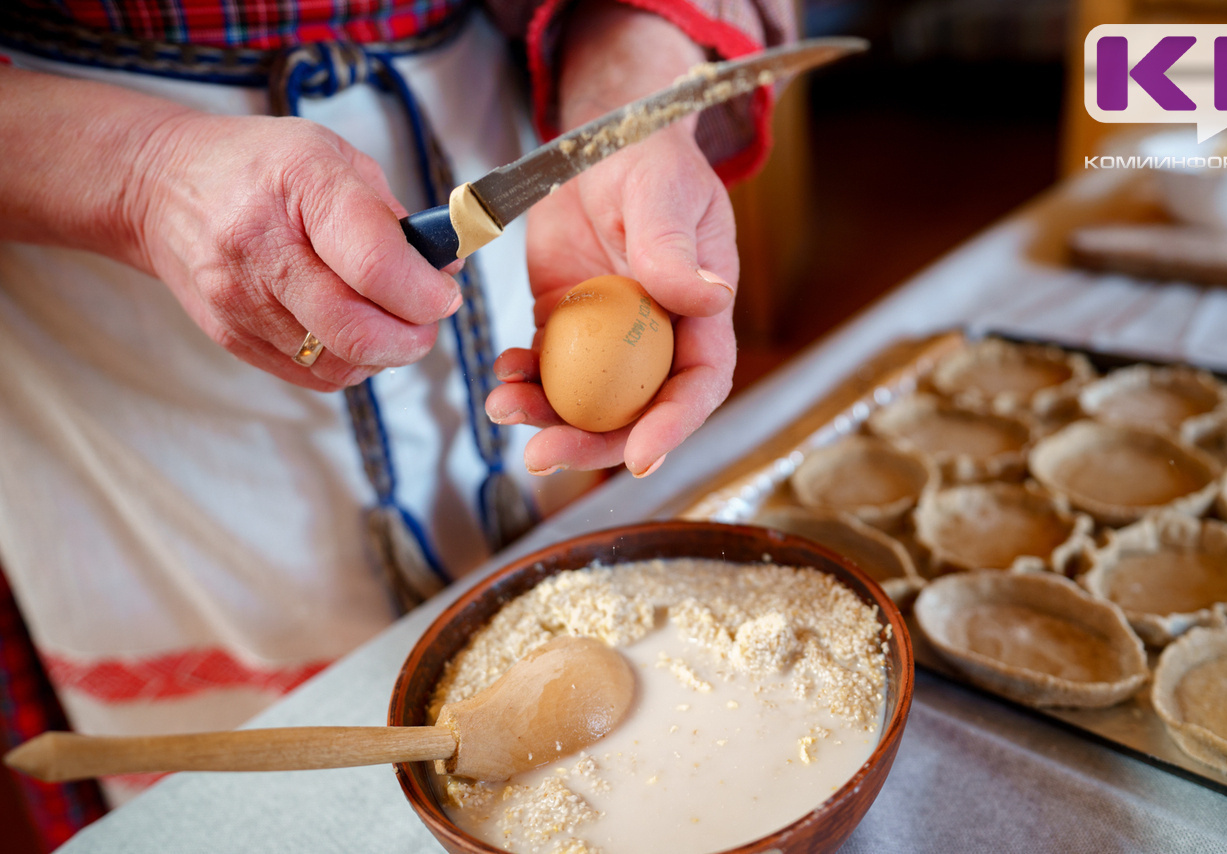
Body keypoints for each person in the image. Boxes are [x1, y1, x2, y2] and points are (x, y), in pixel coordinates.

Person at [0, 0, 793, 806]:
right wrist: (142, 174)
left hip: (521, 202)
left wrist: (627, 86)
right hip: (118, 291)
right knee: (274, 798)